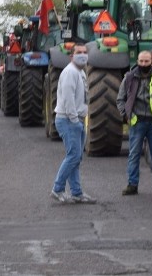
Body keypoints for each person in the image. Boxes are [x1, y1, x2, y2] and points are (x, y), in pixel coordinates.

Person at [117, 50, 152, 196]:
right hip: (137, 122)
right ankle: (132, 184)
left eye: (146, 62)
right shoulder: (129, 77)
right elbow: (120, 99)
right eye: (141, 61)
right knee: (134, 154)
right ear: (137, 62)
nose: (143, 64)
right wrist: (128, 115)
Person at [50, 44, 96, 204]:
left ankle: (76, 192)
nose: (82, 55)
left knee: (76, 157)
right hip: (69, 120)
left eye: (85, 53)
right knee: (73, 156)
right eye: (79, 53)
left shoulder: (80, 72)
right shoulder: (70, 72)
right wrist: (75, 120)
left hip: (76, 119)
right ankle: (57, 189)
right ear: (72, 56)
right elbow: (68, 98)